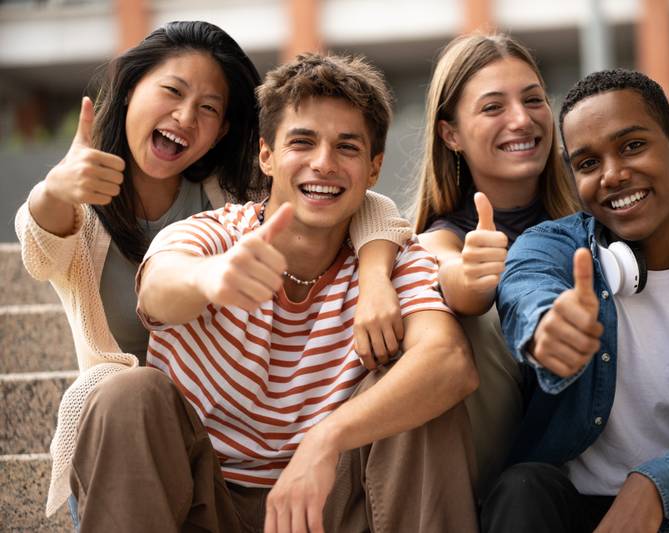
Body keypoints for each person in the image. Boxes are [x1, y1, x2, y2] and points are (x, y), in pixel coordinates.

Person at [14, 21, 412, 520]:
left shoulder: (231, 191)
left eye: (209, 108)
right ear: (131, 89)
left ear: (224, 129)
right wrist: (55, 189)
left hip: (220, 430)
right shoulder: (82, 201)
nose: (185, 117)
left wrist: (376, 276)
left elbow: (356, 202)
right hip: (130, 425)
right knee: (125, 396)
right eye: (172, 92)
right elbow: (38, 249)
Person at [70, 52, 480, 533]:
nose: (323, 164)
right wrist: (213, 278)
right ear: (266, 155)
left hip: (329, 502)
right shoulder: (212, 234)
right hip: (204, 498)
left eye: (347, 148)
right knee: (125, 392)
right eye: (302, 142)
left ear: (373, 169)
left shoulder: (392, 260)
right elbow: (159, 288)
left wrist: (326, 440)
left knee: (419, 395)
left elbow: (449, 360)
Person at [411, 33, 669, 496]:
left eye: (533, 99)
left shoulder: (606, 177)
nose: (521, 119)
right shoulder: (444, 235)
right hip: (527, 452)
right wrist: (517, 307)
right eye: (493, 107)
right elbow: (459, 284)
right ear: (450, 133)